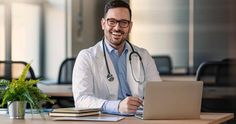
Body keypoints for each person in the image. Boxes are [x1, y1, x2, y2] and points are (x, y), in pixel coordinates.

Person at [72, 0, 161, 115]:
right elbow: (81, 100)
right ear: (103, 24)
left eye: (123, 22)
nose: (117, 27)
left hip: (138, 118)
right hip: (104, 119)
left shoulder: (143, 56)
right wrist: (117, 106)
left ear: (130, 26)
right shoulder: (86, 57)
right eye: (112, 21)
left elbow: (158, 94)